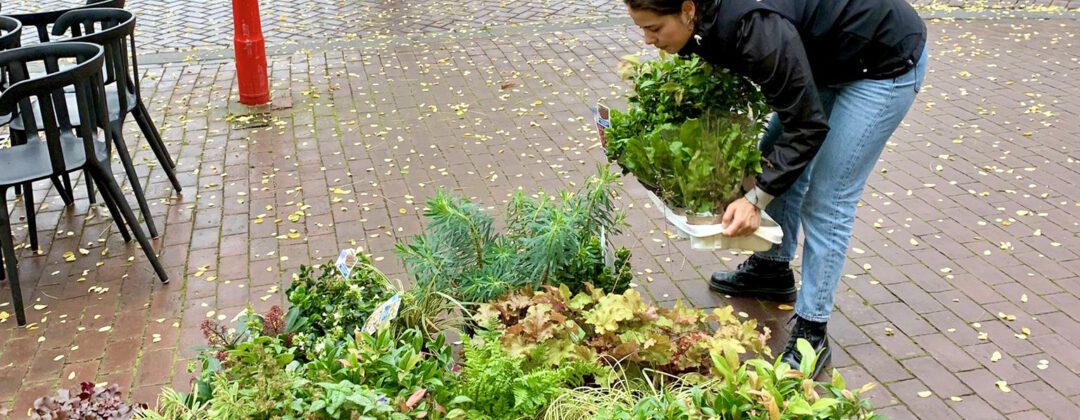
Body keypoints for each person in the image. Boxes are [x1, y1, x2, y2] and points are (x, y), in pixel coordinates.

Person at [623, 0, 928, 378]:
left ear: (687, 10)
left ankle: (812, 331)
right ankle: (771, 269)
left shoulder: (756, 27)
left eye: (654, 29)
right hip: (828, 56)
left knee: (828, 199)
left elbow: (807, 128)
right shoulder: (704, 18)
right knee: (771, 156)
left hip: (881, 62)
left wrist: (755, 199)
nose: (648, 40)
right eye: (642, 29)